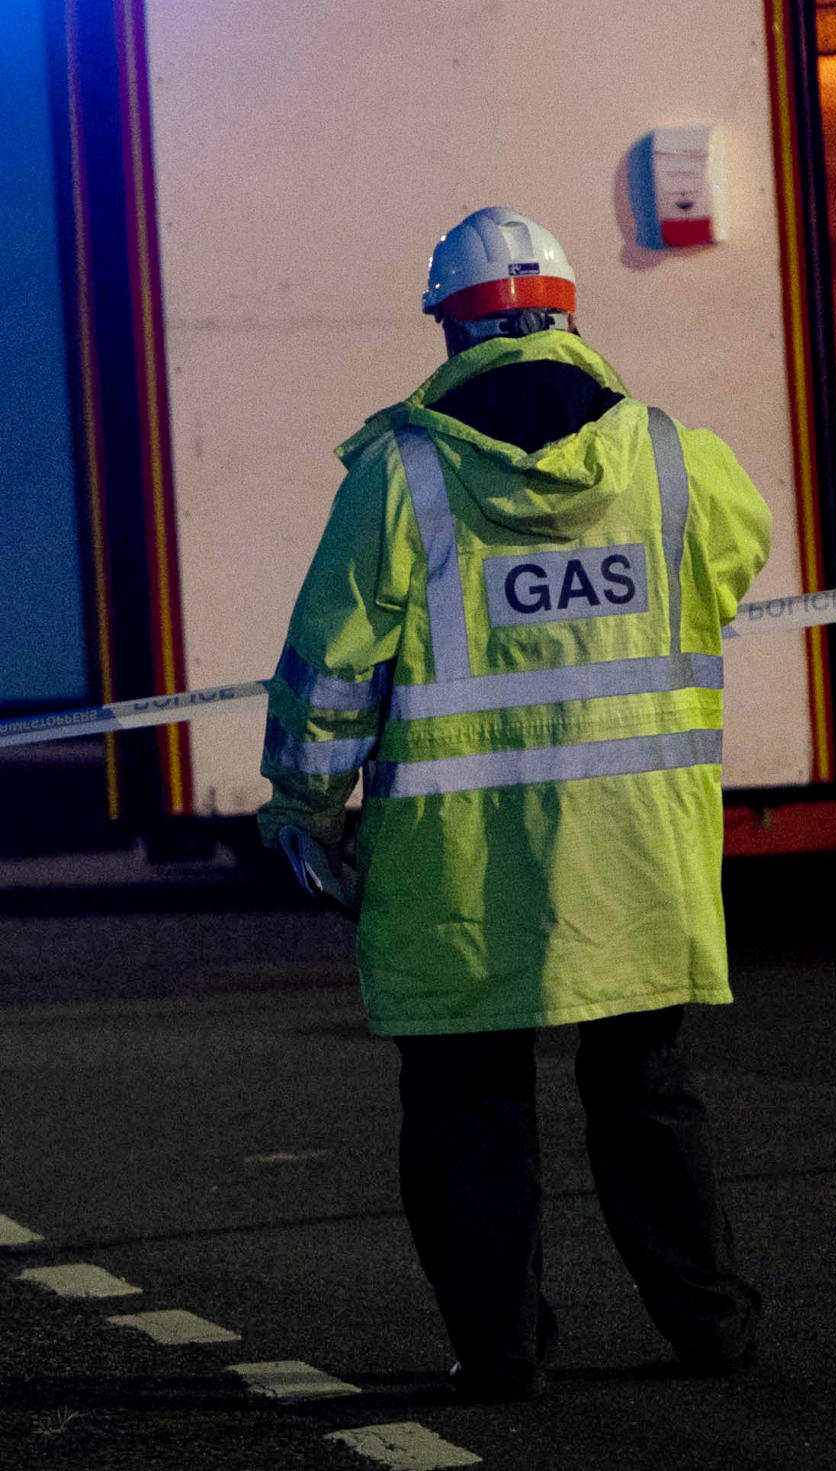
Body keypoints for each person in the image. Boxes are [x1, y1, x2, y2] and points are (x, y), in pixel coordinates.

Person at [258, 206, 770, 1402]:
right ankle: (712, 1328)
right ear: (569, 314)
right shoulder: (672, 454)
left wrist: (306, 808)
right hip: (637, 852)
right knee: (647, 1092)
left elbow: (331, 669)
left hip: (458, 869)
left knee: (468, 1106)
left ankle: (499, 1354)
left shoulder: (403, 473)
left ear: (451, 326)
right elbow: (730, 565)